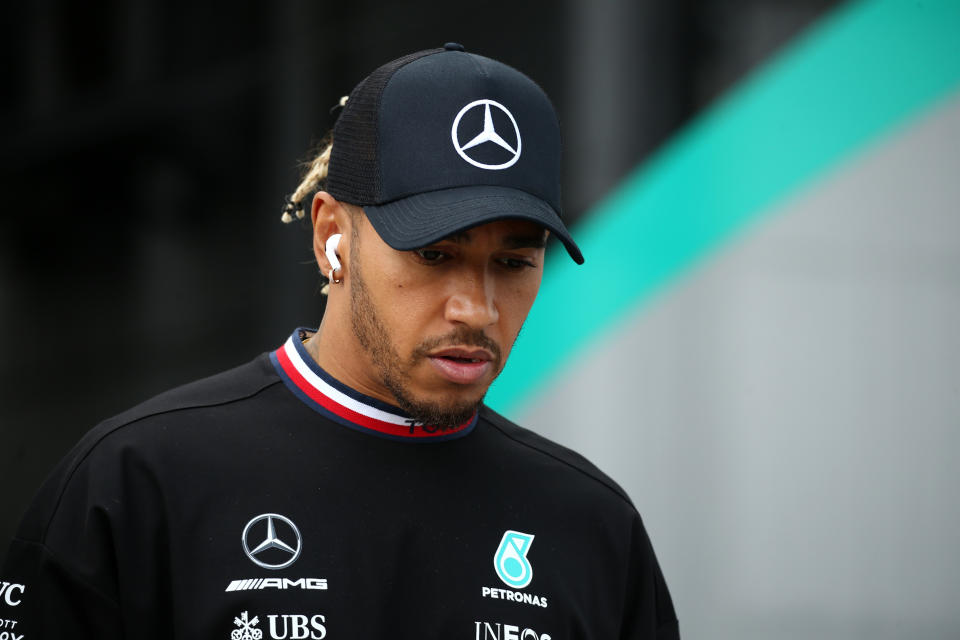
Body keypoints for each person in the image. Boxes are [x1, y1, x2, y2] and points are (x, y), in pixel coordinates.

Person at [1, 43, 679, 639]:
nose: (476, 308)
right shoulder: (134, 484)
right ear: (332, 234)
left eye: (514, 261)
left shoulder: (592, 528)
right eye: (435, 254)